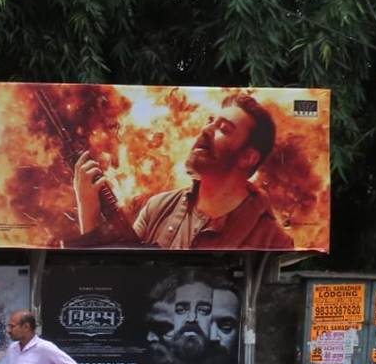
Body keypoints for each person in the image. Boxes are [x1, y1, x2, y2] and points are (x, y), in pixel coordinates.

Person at [73, 93, 293, 250]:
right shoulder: (158, 208)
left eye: (224, 129)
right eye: (210, 122)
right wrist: (89, 212)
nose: (206, 130)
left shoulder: (272, 240)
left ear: (247, 157)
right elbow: (122, 276)